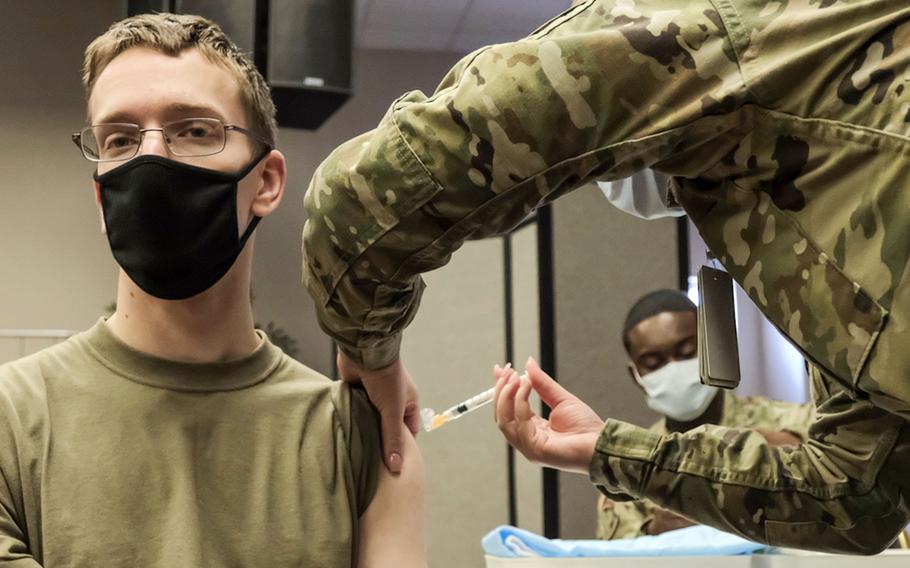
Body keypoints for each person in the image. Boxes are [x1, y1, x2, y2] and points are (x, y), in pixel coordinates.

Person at [301, 0, 910, 553]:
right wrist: (605, 450)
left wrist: (370, 353)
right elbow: (858, 494)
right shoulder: (838, 183)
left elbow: (363, 197)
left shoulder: (725, 28)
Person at [0, 13, 425, 567]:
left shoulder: (360, 438)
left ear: (266, 181)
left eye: (194, 131)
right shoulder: (11, 421)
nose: (152, 158)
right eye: (122, 138)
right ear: (102, 198)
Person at [597, 289, 814, 540]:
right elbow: (616, 553)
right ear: (635, 376)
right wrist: (657, 533)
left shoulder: (796, 424)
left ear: (712, 347)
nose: (674, 368)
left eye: (687, 351)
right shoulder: (629, 463)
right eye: (654, 362)